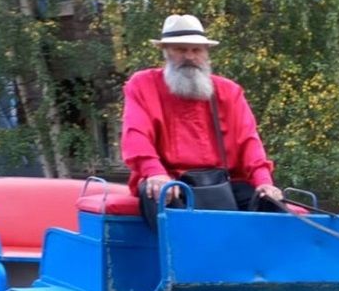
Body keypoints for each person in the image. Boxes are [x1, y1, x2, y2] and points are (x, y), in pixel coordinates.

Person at [121, 14, 284, 227]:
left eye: (196, 50)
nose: (189, 56)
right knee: (160, 196)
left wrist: (264, 182)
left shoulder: (229, 91)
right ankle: (185, 260)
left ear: (206, 53)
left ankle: (257, 260)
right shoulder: (142, 84)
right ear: (166, 52)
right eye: (181, 50)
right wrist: (155, 172)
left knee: (271, 206)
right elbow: (136, 134)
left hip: (224, 183)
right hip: (170, 182)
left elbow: (249, 141)